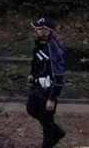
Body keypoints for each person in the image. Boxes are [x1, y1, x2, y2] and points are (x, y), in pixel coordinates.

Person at [26, 17, 66, 148]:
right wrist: (33, 75)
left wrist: (52, 98)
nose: (36, 30)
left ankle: (49, 142)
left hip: (47, 90)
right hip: (37, 86)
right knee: (31, 109)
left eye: (39, 29)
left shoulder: (53, 50)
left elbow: (58, 76)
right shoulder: (41, 45)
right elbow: (39, 64)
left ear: (47, 32)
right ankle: (56, 132)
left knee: (46, 119)